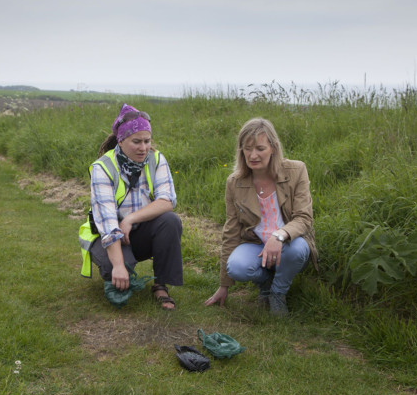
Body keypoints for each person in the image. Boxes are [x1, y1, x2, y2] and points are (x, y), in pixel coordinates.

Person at [204, 118, 318, 315]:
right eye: (247, 149)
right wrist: (224, 285)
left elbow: (304, 218)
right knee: (236, 267)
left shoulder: (297, 170)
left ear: (273, 148)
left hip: (289, 242)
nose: (253, 155)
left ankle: (277, 293)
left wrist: (279, 236)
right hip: (256, 244)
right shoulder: (234, 182)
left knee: (298, 250)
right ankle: (265, 282)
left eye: (260, 148)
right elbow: (231, 231)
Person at [79, 103, 183, 310]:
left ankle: (160, 285)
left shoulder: (156, 159)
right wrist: (118, 265)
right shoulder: (102, 167)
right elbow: (108, 221)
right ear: (121, 140)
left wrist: (130, 219)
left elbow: (167, 200)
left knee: (171, 221)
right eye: (136, 141)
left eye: (147, 141)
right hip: (108, 235)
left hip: (137, 229)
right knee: (115, 268)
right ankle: (117, 268)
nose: (143, 148)